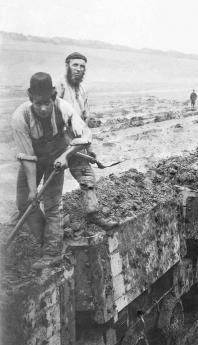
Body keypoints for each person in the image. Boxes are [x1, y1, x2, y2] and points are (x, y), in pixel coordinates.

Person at [12, 73, 90, 269]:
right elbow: (27, 157)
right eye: (38, 103)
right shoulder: (20, 117)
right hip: (34, 159)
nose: (43, 108)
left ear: (54, 96)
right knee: (24, 202)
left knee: (52, 204)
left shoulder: (64, 108)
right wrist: (32, 190)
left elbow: (85, 137)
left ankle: (52, 253)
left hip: (57, 158)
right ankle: (47, 241)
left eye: (47, 102)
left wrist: (65, 156)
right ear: (30, 97)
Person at [56, 54, 117, 231]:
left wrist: (88, 148)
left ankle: (93, 214)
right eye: (75, 65)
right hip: (58, 144)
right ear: (67, 65)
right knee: (53, 182)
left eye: (82, 66)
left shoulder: (82, 89)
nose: (78, 69)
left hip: (77, 144)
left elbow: (84, 120)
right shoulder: (59, 86)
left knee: (88, 179)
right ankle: (55, 220)